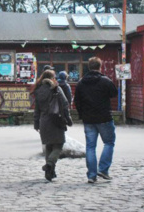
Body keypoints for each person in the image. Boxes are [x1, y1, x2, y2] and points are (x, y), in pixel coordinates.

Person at [74, 56, 118, 184]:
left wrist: (82, 114)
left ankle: (91, 175)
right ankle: (103, 169)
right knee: (109, 143)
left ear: (88, 67)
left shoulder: (81, 83)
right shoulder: (105, 81)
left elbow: (77, 101)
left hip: (88, 119)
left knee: (90, 147)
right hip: (104, 117)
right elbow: (113, 93)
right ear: (100, 67)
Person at [33, 69, 73, 181]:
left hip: (43, 121)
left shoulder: (39, 90)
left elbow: (37, 110)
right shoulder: (56, 88)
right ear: (52, 78)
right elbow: (64, 104)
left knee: (49, 147)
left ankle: (49, 174)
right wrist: (68, 119)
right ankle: (50, 163)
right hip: (56, 119)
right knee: (59, 145)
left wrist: (36, 123)